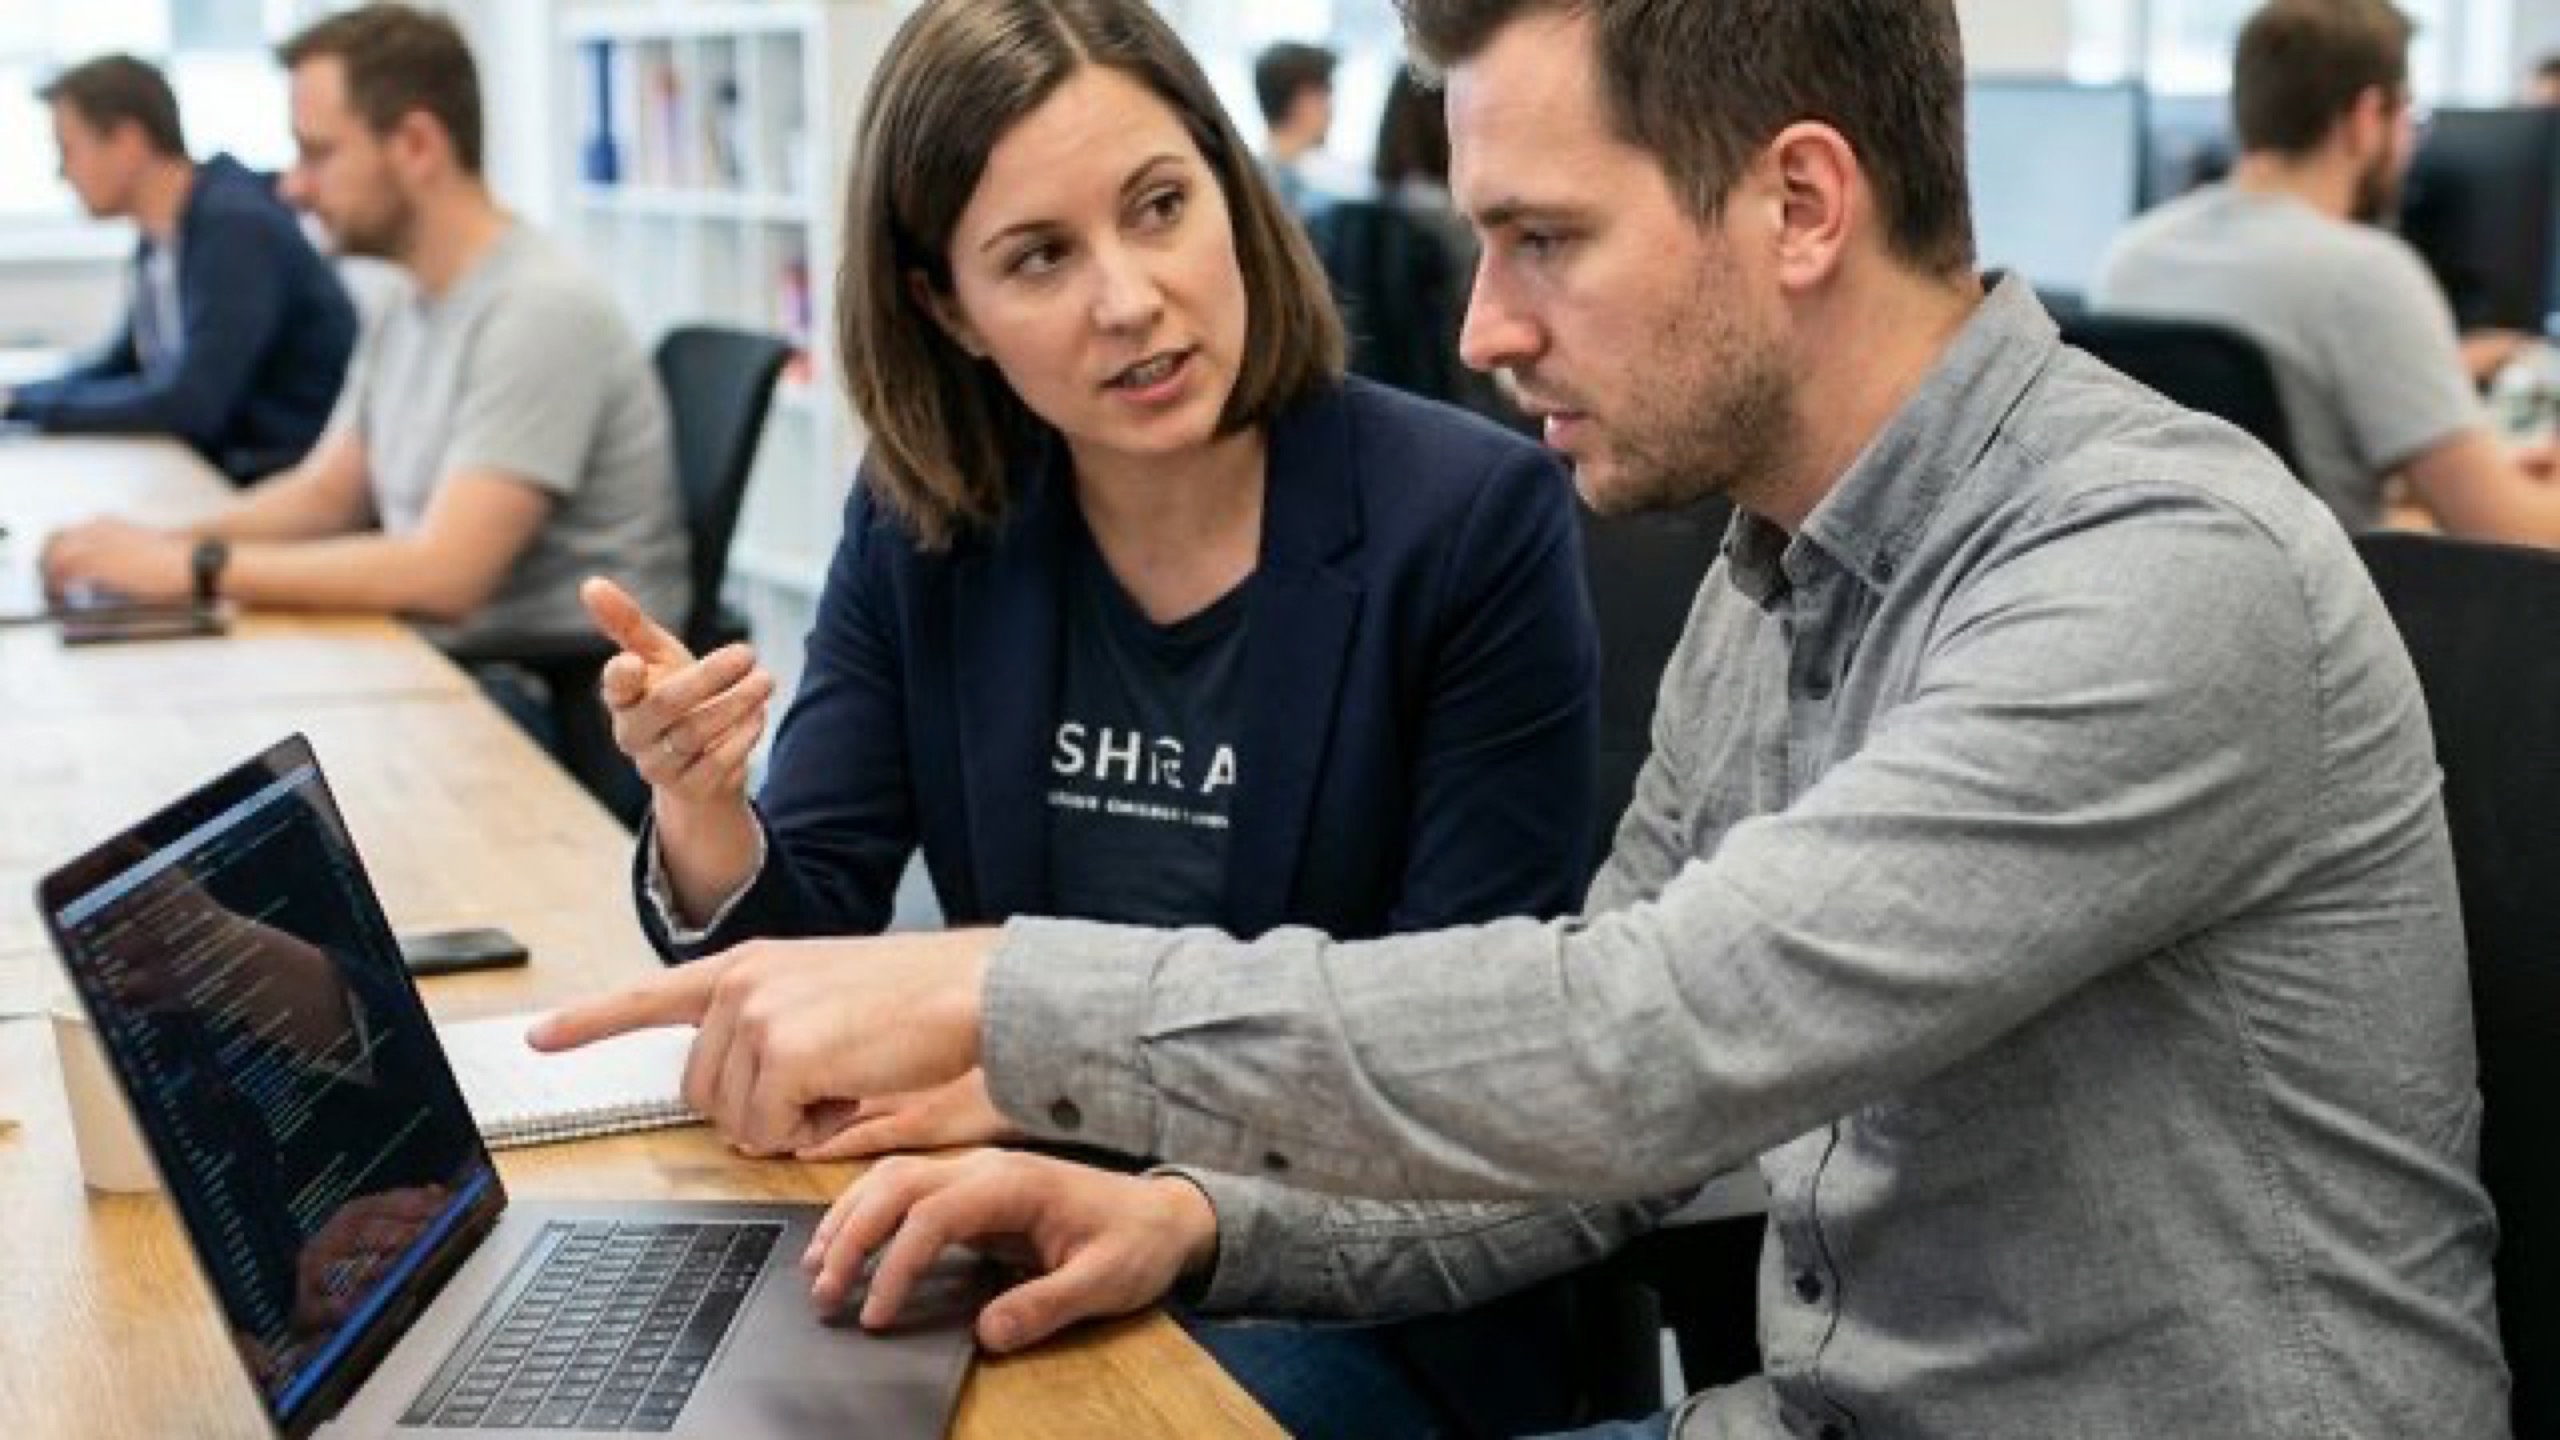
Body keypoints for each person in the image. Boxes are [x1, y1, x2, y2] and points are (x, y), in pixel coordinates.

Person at [539, 0, 2516, 1435]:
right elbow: (1597, 1154)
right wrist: (1188, 1230)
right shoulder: (1772, 579)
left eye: (1541, 239)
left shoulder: (2146, 576)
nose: (1479, 326)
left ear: (1799, 203)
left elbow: (1635, 1044)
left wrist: (1001, 998)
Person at [573, 0, 1604, 1433]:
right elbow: (794, 973)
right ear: (949, 310)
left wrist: (1030, 1089)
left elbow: (1453, 1056)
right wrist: (701, 812)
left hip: (1338, 1282)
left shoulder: (1466, 523)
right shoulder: (927, 523)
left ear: (1232, 199)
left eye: (1160, 207)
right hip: (999, 1229)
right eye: (1039, 258)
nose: (1129, 300)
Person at [41, 4, 687, 651]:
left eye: (316, 153)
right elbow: (325, 494)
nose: (291, 187)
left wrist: (193, 568)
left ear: (416, 145)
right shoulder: (407, 298)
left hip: (540, 694)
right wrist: (157, 546)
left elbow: (445, 574)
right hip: (439, 659)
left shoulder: (538, 310)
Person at [2092, 0, 2560, 544]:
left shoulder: (2132, 253)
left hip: (2180, 601)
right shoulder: (2364, 273)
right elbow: (2504, 531)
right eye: (2408, 115)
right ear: (2366, 118)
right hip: (2326, 610)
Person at [3, 54, 355, 483]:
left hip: (272, 483)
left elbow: (192, 404)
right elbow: (125, 364)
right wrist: (19, 396)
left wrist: (27, 406)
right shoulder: (162, 235)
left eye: (69, 149)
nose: (62, 173)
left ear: (128, 142)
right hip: (215, 473)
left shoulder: (235, 227)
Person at [1253, 41, 1340, 219]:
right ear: (1301, 101)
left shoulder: (1275, 179)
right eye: (1325, 95)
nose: (1331, 111)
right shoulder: (1271, 191)